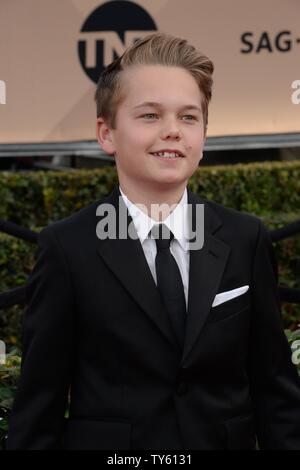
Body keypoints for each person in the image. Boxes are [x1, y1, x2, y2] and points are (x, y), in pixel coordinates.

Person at [6, 32, 300, 450]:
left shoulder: (243, 238)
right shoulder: (68, 249)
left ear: (204, 135)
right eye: (149, 116)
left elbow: (276, 389)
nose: (172, 131)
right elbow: (40, 406)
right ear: (106, 134)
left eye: (188, 117)